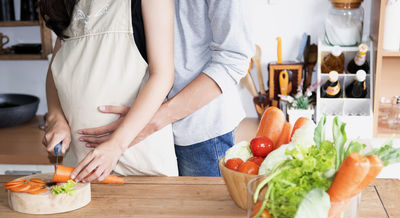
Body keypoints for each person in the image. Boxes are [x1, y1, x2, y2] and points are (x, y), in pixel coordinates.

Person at [78, 0, 254, 177]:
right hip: (142, 126)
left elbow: (233, 60)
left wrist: (145, 124)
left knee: (202, 205)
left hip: (198, 134)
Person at [40, 0, 178, 182]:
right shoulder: (68, 4)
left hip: (138, 165)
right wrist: (55, 118)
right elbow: (55, 71)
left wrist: (116, 145)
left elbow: (162, 76)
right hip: (79, 166)